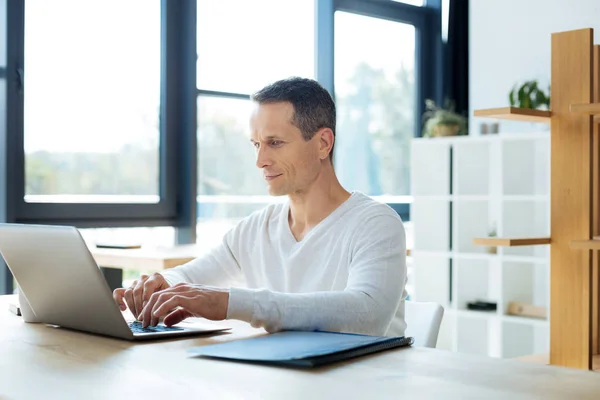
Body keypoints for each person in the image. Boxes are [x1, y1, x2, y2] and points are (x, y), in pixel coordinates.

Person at [113, 77, 408, 337]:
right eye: (256, 144)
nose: (260, 161)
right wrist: (159, 284)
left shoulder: (376, 223)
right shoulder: (256, 229)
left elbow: (368, 314)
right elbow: (192, 278)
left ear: (323, 143)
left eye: (275, 143)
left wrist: (230, 303)